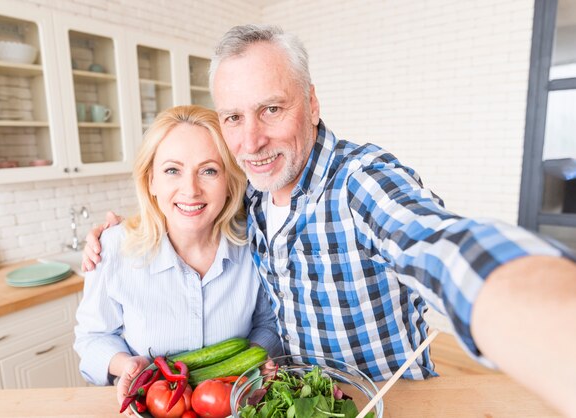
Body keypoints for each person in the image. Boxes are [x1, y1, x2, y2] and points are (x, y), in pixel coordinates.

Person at [83, 26, 576, 417]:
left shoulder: (362, 182)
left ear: (312, 105)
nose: (251, 141)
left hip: (385, 404)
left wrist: (541, 318)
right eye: (233, 117)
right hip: (299, 405)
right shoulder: (250, 203)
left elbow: (440, 243)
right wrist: (117, 233)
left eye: (271, 109)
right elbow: (186, 207)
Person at [73, 105, 282, 416]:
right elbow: (91, 339)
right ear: (151, 181)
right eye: (173, 170)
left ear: (229, 182)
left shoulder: (254, 243)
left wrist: (245, 365)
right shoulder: (113, 247)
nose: (191, 190)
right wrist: (124, 365)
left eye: (209, 170)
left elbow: (268, 324)